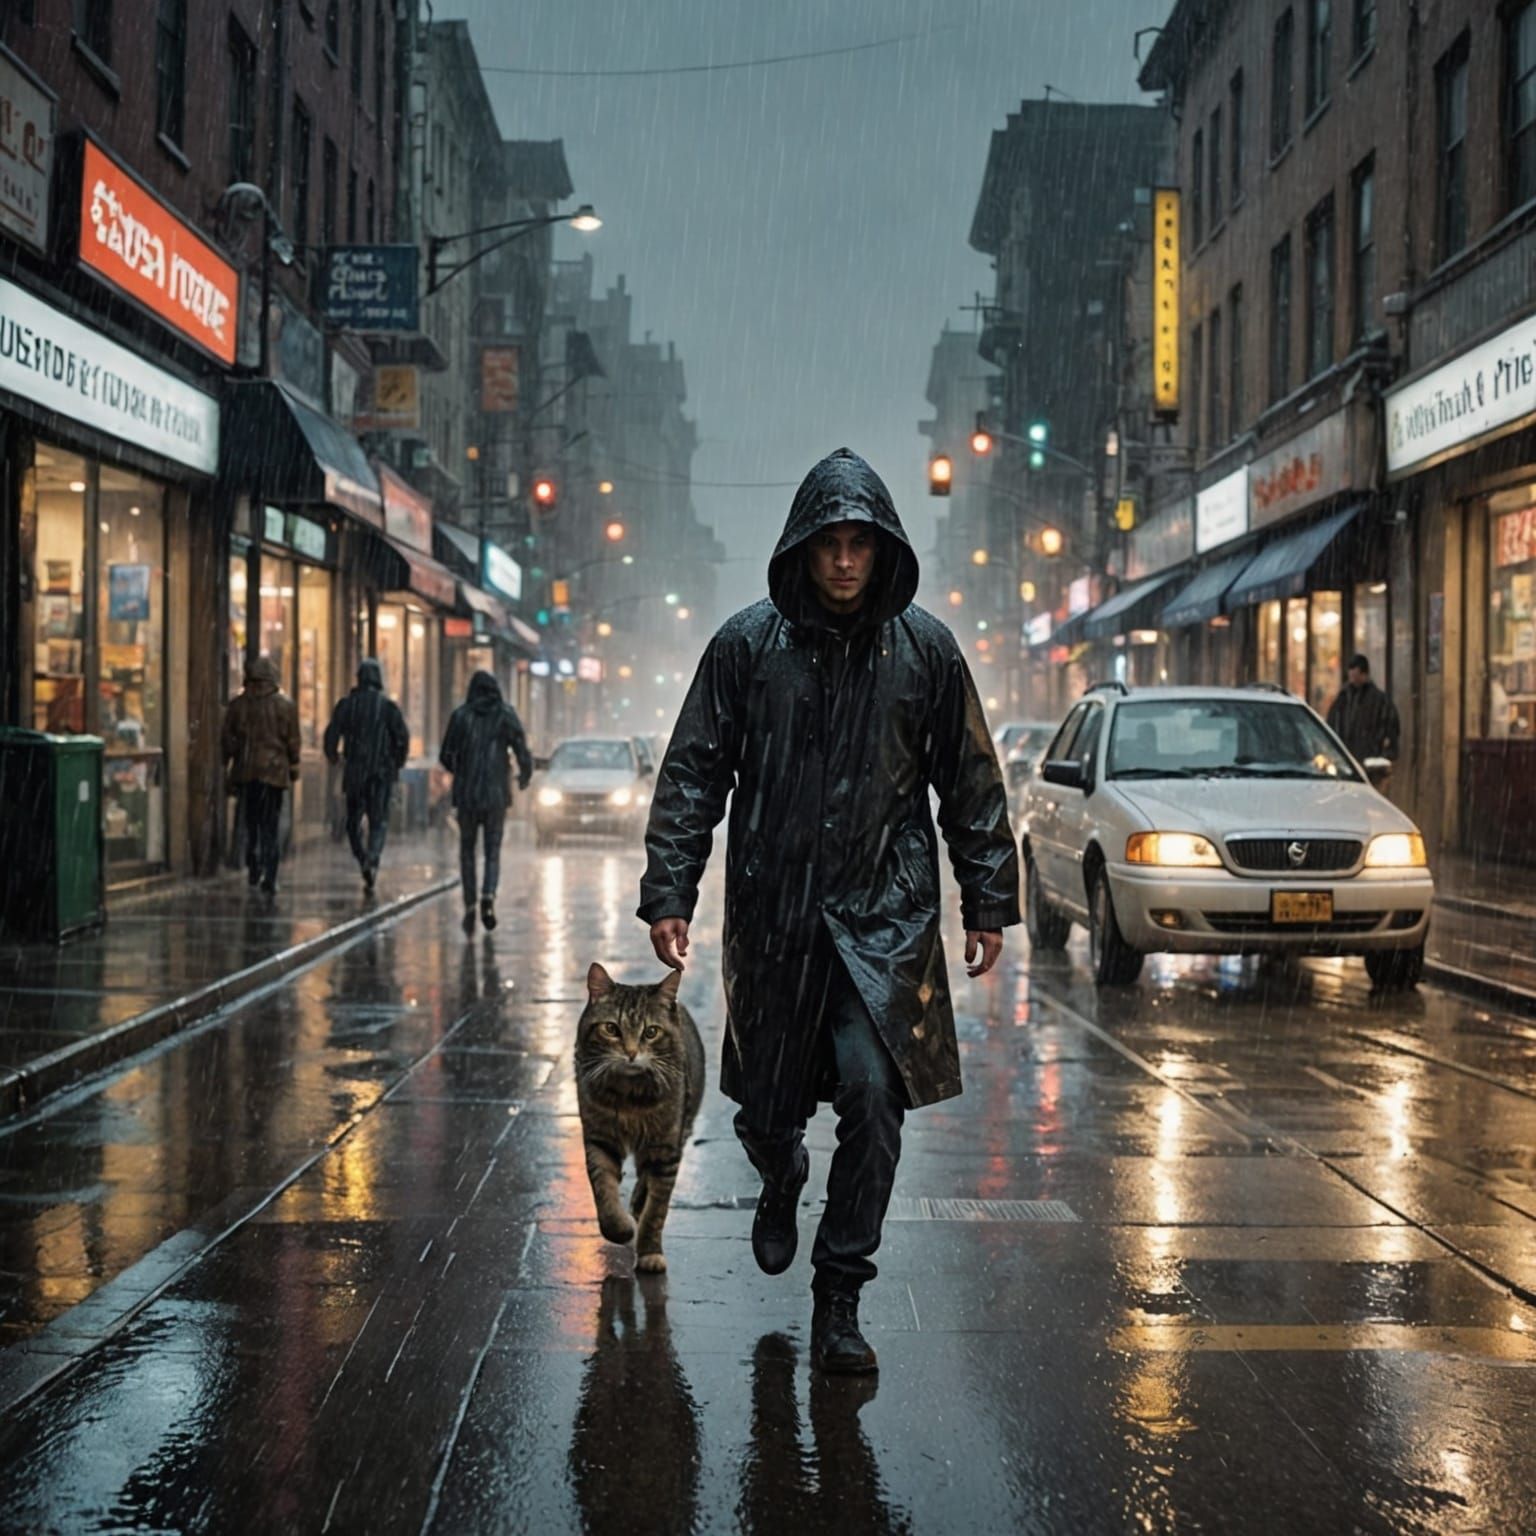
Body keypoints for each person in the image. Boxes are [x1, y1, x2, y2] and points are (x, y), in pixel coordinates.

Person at [639, 447, 1020, 1375]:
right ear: (803, 548)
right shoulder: (745, 648)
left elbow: (968, 780)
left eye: (860, 544)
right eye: (830, 545)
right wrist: (671, 891)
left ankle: (840, 1294)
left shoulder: (925, 651)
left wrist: (987, 897)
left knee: (872, 1095)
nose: (845, 562)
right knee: (766, 1108)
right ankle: (779, 1174)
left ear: (880, 547)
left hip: (883, 924)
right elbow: (695, 772)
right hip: (776, 920)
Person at [439, 670, 533, 935]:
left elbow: (446, 754)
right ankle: (488, 896)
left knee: (467, 850)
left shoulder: (460, 716)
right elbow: (521, 749)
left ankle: (470, 903)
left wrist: (461, 769)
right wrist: (524, 774)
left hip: (467, 796)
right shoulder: (505, 714)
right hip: (495, 796)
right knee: (492, 851)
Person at [323, 659, 409, 890]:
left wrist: (334, 757)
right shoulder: (388, 708)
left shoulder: (347, 706)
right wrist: (395, 764)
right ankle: (372, 858)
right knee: (378, 820)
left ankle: (363, 858)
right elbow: (402, 739)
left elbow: (331, 735)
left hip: (355, 773)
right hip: (380, 774)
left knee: (352, 823)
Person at [221, 656, 301, 895]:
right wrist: (294, 764)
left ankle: (253, 862)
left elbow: (228, 740)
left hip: (246, 773)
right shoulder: (285, 706)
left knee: (250, 822)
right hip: (274, 775)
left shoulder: (238, 705)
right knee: (271, 825)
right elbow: (293, 740)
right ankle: (270, 873)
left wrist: (228, 762)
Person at [1327, 653, 1401, 764]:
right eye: (1351, 675)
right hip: (1346, 759)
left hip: (1370, 759)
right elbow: (1332, 722)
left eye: (1355, 675)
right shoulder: (1343, 698)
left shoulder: (1379, 701)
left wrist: (1384, 755)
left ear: (1364, 674)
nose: (1352, 679)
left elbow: (1391, 728)